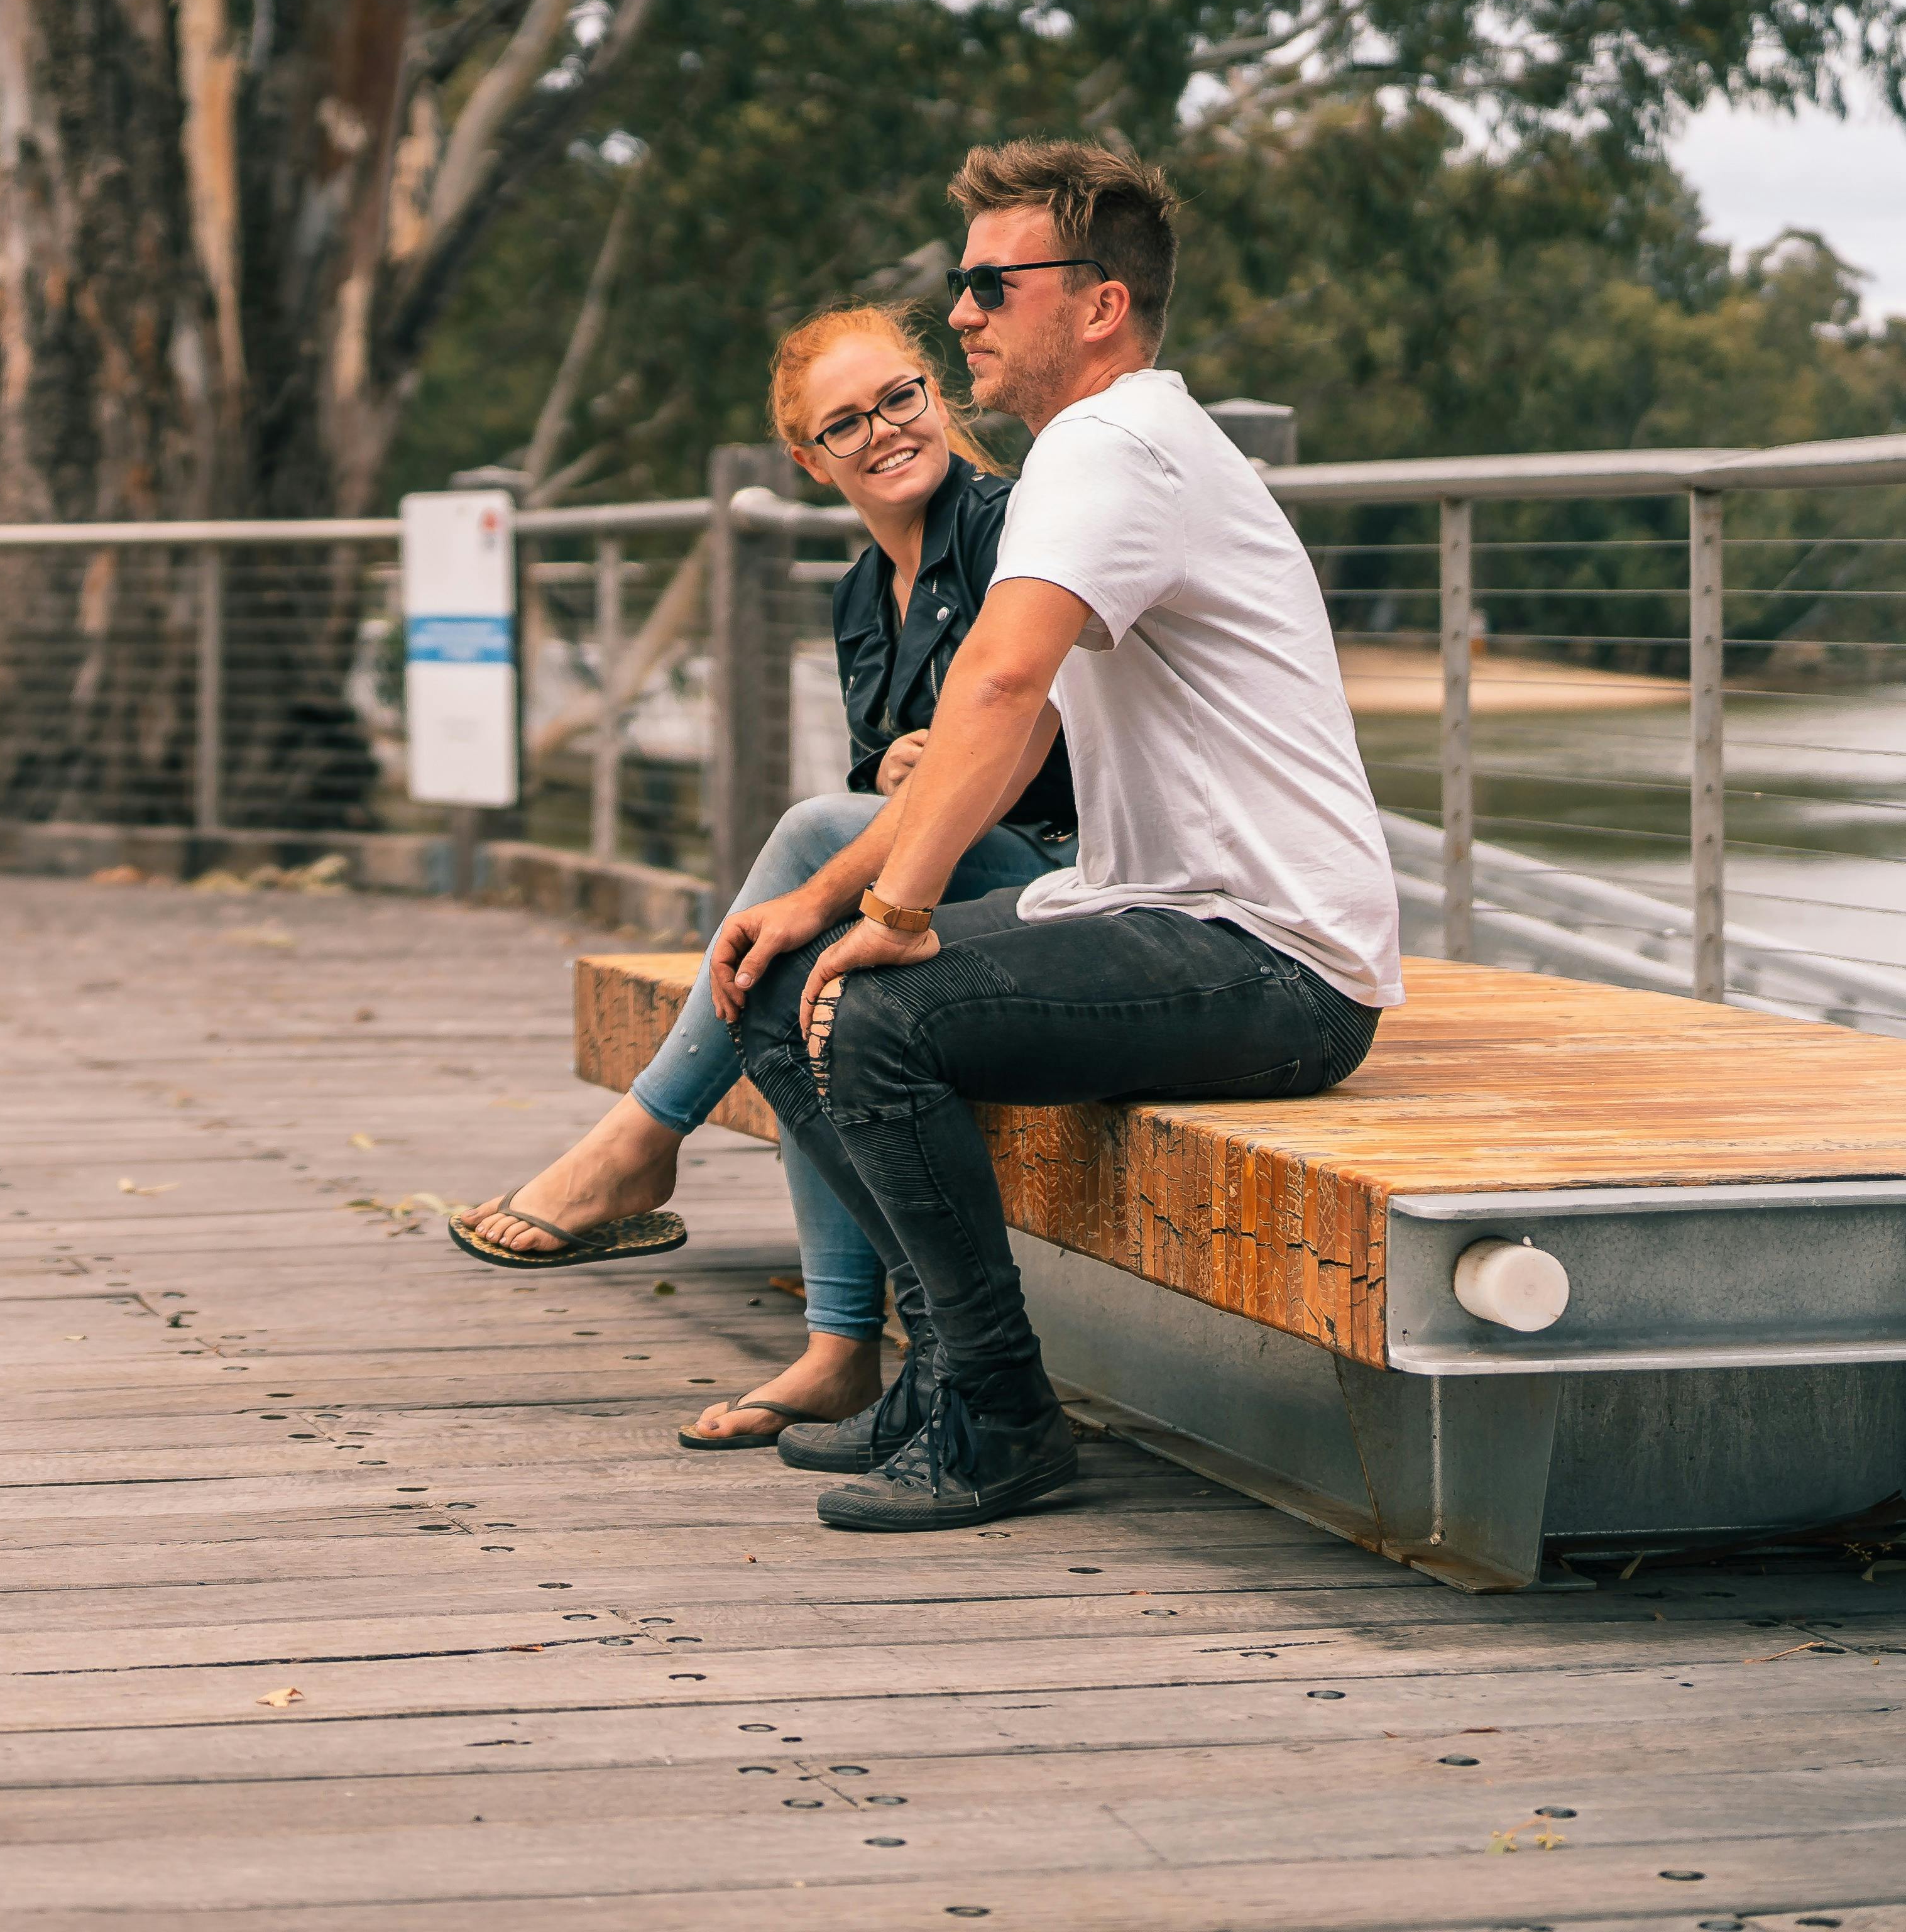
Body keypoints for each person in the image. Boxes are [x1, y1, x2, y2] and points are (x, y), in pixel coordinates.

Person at [716, 139, 1399, 1533]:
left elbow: (1000, 685)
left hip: (1279, 962)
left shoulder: (1114, 442)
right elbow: (1009, 723)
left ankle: (1002, 1415)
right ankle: (944, 1372)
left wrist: (897, 918)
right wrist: (830, 897)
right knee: (780, 991)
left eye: (988, 283)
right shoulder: (1094, 455)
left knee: (880, 1015)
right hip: (1163, 918)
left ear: (1097, 305)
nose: (959, 312)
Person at [451, 305, 1082, 1457]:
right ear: (809, 461)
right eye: (846, 424)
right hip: (947, 880)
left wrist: (926, 770)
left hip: (1068, 878)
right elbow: (894, 783)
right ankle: (839, 1350)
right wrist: (910, 767)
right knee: (800, 961)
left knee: (807, 852)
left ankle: (641, 1139)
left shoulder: (1012, 529)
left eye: (901, 397)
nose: (886, 431)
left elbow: (1027, 739)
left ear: (936, 395)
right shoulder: (856, 600)